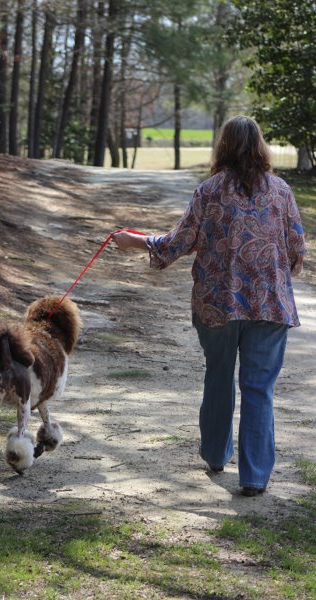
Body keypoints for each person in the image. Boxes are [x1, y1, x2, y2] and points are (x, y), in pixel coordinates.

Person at [111, 115, 306, 497]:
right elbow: (297, 248)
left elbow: (179, 241)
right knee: (259, 388)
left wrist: (134, 240)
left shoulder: (210, 190)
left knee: (218, 376)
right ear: (260, 146)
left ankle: (216, 456)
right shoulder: (281, 191)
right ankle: (254, 477)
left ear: (224, 146)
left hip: (217, 303)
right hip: (269, 304)